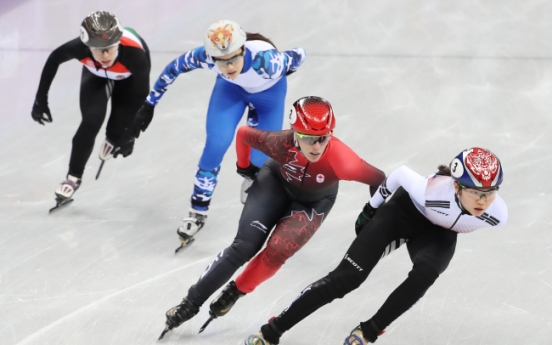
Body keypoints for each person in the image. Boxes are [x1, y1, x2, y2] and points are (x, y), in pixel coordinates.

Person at [157, 96, 386, 339]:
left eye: (323, 137)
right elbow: (244, 134)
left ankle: (235, 291)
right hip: (274, 184)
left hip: (314, 202)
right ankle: (190, 302)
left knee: (278, 250)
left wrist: (371, 213)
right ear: (294, 133)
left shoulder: (343, 160)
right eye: (309, 138)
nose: (317, 146)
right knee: (243, 247)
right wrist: (244, 167)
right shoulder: (280, 142)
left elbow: (379, 179)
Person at [244, 147, 508, 345]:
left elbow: (475, 209)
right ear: (457, 186)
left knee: (426, 273)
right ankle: (273, 330)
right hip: (403, 215)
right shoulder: (430, 193)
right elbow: (401, 174)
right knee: (346, 279)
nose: (483, 201)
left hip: (438, 234)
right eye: (475, 192)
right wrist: (371, 210)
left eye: (490, 192)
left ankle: (367, 332)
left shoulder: (498, 215)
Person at [118, 20, 306, 245]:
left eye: (234, 58)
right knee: (216, 145)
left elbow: (299, 55)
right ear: (212, 57)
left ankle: (251, 176)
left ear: (244, 49)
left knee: (260, 158)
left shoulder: (268, 62)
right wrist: (148, 105)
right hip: (231, 91)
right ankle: (197, 211)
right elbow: (173, 68)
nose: (228, 67)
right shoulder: (205, 56)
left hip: (269, 94)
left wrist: (278, 75)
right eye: (221, 61)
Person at [31, 11, 151, 207]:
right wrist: (40, 99)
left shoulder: (135, 55)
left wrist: (130, 135)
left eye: (109, 49)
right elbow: (54, 59)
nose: (104, 55)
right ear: (87, 46)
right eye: (97, 49)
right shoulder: (79, 48)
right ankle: (73, 177)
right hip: (96, 76)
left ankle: (112, 138)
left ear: (118, 43)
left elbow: (141, 98)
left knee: (116, 131)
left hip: (128, 79)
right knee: (90, 122)